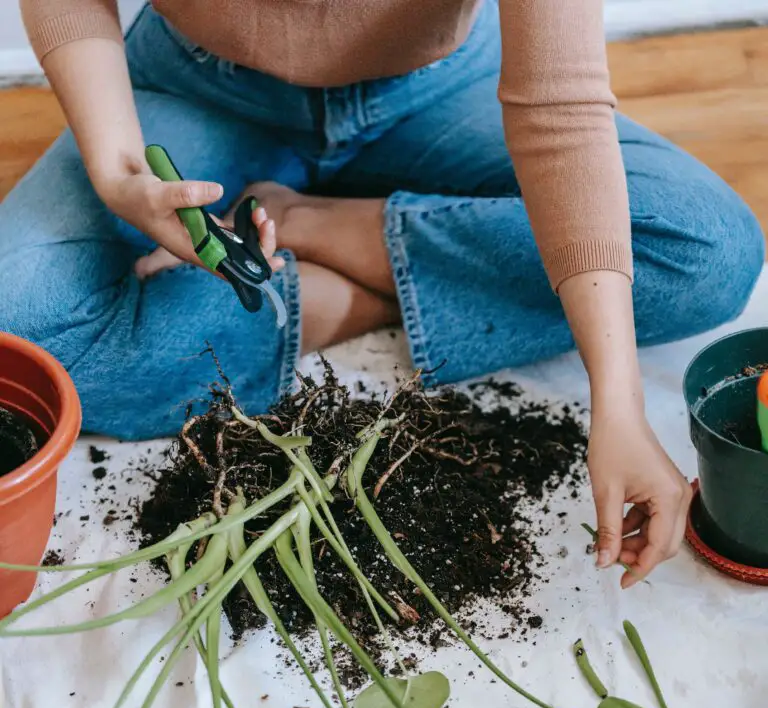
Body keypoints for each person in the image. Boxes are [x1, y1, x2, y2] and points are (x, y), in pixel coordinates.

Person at [1, 1, 764, 586]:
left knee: (708, 252)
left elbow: (558, 107)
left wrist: (618, 400)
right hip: (201, 89)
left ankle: (331, 228)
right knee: (25, 327)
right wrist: (118, 168)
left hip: (442, 88)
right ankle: (352, 293)